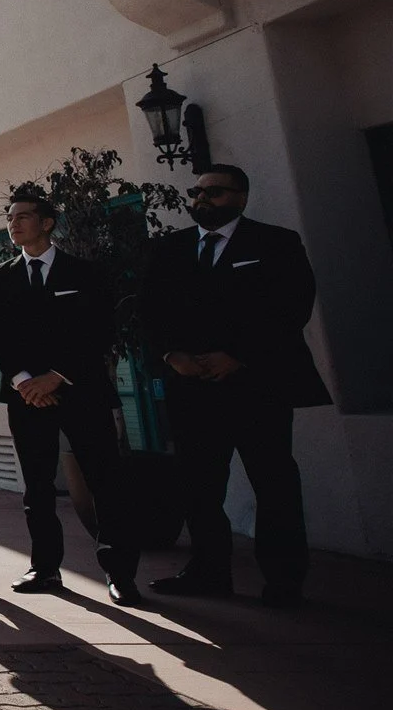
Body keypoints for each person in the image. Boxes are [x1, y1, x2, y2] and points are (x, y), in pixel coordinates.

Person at [139, 164, 330, 607]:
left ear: (240, 197)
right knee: (199, 486)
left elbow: (291, 307)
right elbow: (151, 310)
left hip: (257, 386)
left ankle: (284, 581)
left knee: (274, 482)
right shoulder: (171, 248)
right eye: (197, 192)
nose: (202, 200)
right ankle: (208, 571)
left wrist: (239, 356)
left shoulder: (276, 243)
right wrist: (173, 355)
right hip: (192, 390)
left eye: (215, 193)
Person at [0, 190, 141, 606]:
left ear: (47, 223)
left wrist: (56, 377)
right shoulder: (0, 276)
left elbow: (100, 331)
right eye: (10, 217)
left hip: (81, 390)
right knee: (37, 486)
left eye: (23, 217)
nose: (14, 224)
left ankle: (120, 573)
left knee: (104, 480)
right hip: (26, 396)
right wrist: (23, 381)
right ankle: (45, 567)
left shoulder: (84, 272)